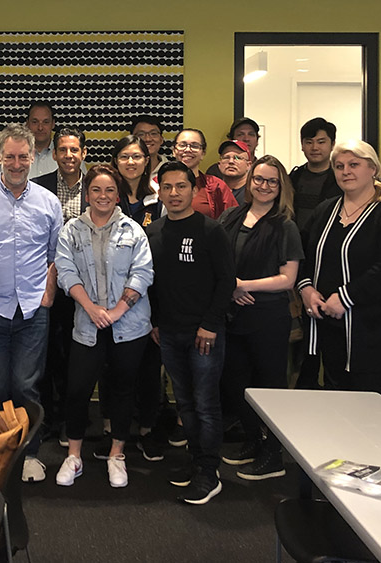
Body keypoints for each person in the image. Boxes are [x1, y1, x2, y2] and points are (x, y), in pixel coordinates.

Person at [0, 124, 63, 483]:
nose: (17, 163)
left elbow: (55, 256)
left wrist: (48, 296)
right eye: (10, 156)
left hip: (33, 309)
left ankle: (30, 453)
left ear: (33, 158)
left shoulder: (48, 203)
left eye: (24, 157)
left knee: (25, 386)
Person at [53, 164, 153, 488]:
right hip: (87, 324)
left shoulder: (133, 231)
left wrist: (118, 309)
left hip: (129, 325)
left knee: (123, 390)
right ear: (87, 194)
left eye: (110, 190)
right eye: (96, 190)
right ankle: (74, 455)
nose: (103, 196)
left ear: (118, 194)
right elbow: (66, 273)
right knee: (78, 389)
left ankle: (117, 456)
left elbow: (143, 274)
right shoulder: (72, 230)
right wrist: (92, 308)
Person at [297, 140, 381, 395]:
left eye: (354, 165)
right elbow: (303, 254)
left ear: (373, 169)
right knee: (336, 401)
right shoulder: (326, 210)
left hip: (372, 331)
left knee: (367, 406)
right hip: (330, 327)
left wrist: (346, 297)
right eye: (339, 166)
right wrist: (306, 288)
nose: (345, 171)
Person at [146, 161, 235, 505]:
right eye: (166, 187)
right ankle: (196, 461)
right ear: (160, 191)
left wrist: (210, 324)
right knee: (185, 403)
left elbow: (226, 281)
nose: (173, 193)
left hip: (204, 334)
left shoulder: (211, 231)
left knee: (206, 403)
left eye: (181, 186)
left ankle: (209, 472)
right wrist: (155, 321)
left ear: (194, 189)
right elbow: (152, 283)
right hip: (168, 332)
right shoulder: (154, 232)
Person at [218, 155, 303, 481]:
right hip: (233, 314)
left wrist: (242, 285)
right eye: (259, 179)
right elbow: (219, 262)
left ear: (280, 186)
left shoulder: (285, 225)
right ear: (250, 181)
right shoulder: (231, 216)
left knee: (269, 386)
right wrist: (231, 289)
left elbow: (287, 278)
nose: (264, 186)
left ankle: (273, 454)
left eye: (271, 181)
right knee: (238, 383)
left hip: (268, 318)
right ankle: (253, 440)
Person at [107, 135, 166, 461]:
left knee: (147, 366)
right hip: (108, 297)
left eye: (137, 157)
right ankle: (112, 429)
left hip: (149, 294)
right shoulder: (106, 195)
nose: (131, 162)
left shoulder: (158, 198)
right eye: (125, 157)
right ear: (116, 161)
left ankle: (146, 429)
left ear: (147, 160)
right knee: (112, 367)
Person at [32, 127, 87, 441]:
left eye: (74, 150)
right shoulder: (38, 187)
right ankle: (47, 418)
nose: (69, 155)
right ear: (53, 154)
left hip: (84, 286)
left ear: (83, 154)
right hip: (46, 282)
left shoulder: (96, 187)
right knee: (46, 353)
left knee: (75, 355)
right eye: (63, 150)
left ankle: (70, 419)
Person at [289, 117, 342, 391]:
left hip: (329, 260)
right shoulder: (294, 176)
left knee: (329, 325)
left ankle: (330, 388)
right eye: (309, 142)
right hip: (296, 259)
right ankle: (304, 384)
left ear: (331, 144)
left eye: (321, 141)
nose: (315, 147)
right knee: (301, 330)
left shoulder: (340, 178)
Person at [171, 128, 238, 219]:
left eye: (194, 146)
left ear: (203, 153)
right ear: (174, 151)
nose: (187, 150)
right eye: (182, 145)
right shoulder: (156, 184)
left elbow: (234, 219)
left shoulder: (216, 186)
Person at [25, 102, 58, 177]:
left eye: (45, 122)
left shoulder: (67, 156)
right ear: (27, 124)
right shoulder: (13, 155)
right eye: (35, 122)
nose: (40, 128)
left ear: (53, 124)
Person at [216, 140, 252, 205]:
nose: (231, 161)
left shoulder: (253, 192)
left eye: (237, 158)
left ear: (248, 165)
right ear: (219, 164)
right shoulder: (213, 191)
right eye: (226, 157)